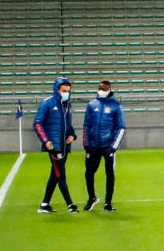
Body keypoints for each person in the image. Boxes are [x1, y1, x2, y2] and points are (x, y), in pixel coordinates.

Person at [33, 76, 77, 214]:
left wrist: (72, 135)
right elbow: (37, 123)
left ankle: (44, 204)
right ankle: (70, 204)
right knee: (60, 174)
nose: (66, 93)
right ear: (57, 90)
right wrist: (46, 141)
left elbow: (68, 125)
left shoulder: (67, 105)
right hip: (54, 146)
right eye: (64, 90)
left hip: (65, 145)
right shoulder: (46, 104)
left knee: (55, 175)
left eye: (68, 90)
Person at [82, 79, 127, 210]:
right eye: (100, 89)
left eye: (104, 89)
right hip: (93, 146)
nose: (101, 91)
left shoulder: (116, 106)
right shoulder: (91, 105)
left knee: (110, 174)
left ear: (109, 89)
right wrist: (86, 144)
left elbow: (121, 127)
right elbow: (86, 125)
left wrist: (113, 147)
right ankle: (92, 198)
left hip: (108, 147)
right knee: (89, 173)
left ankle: (108, 202)